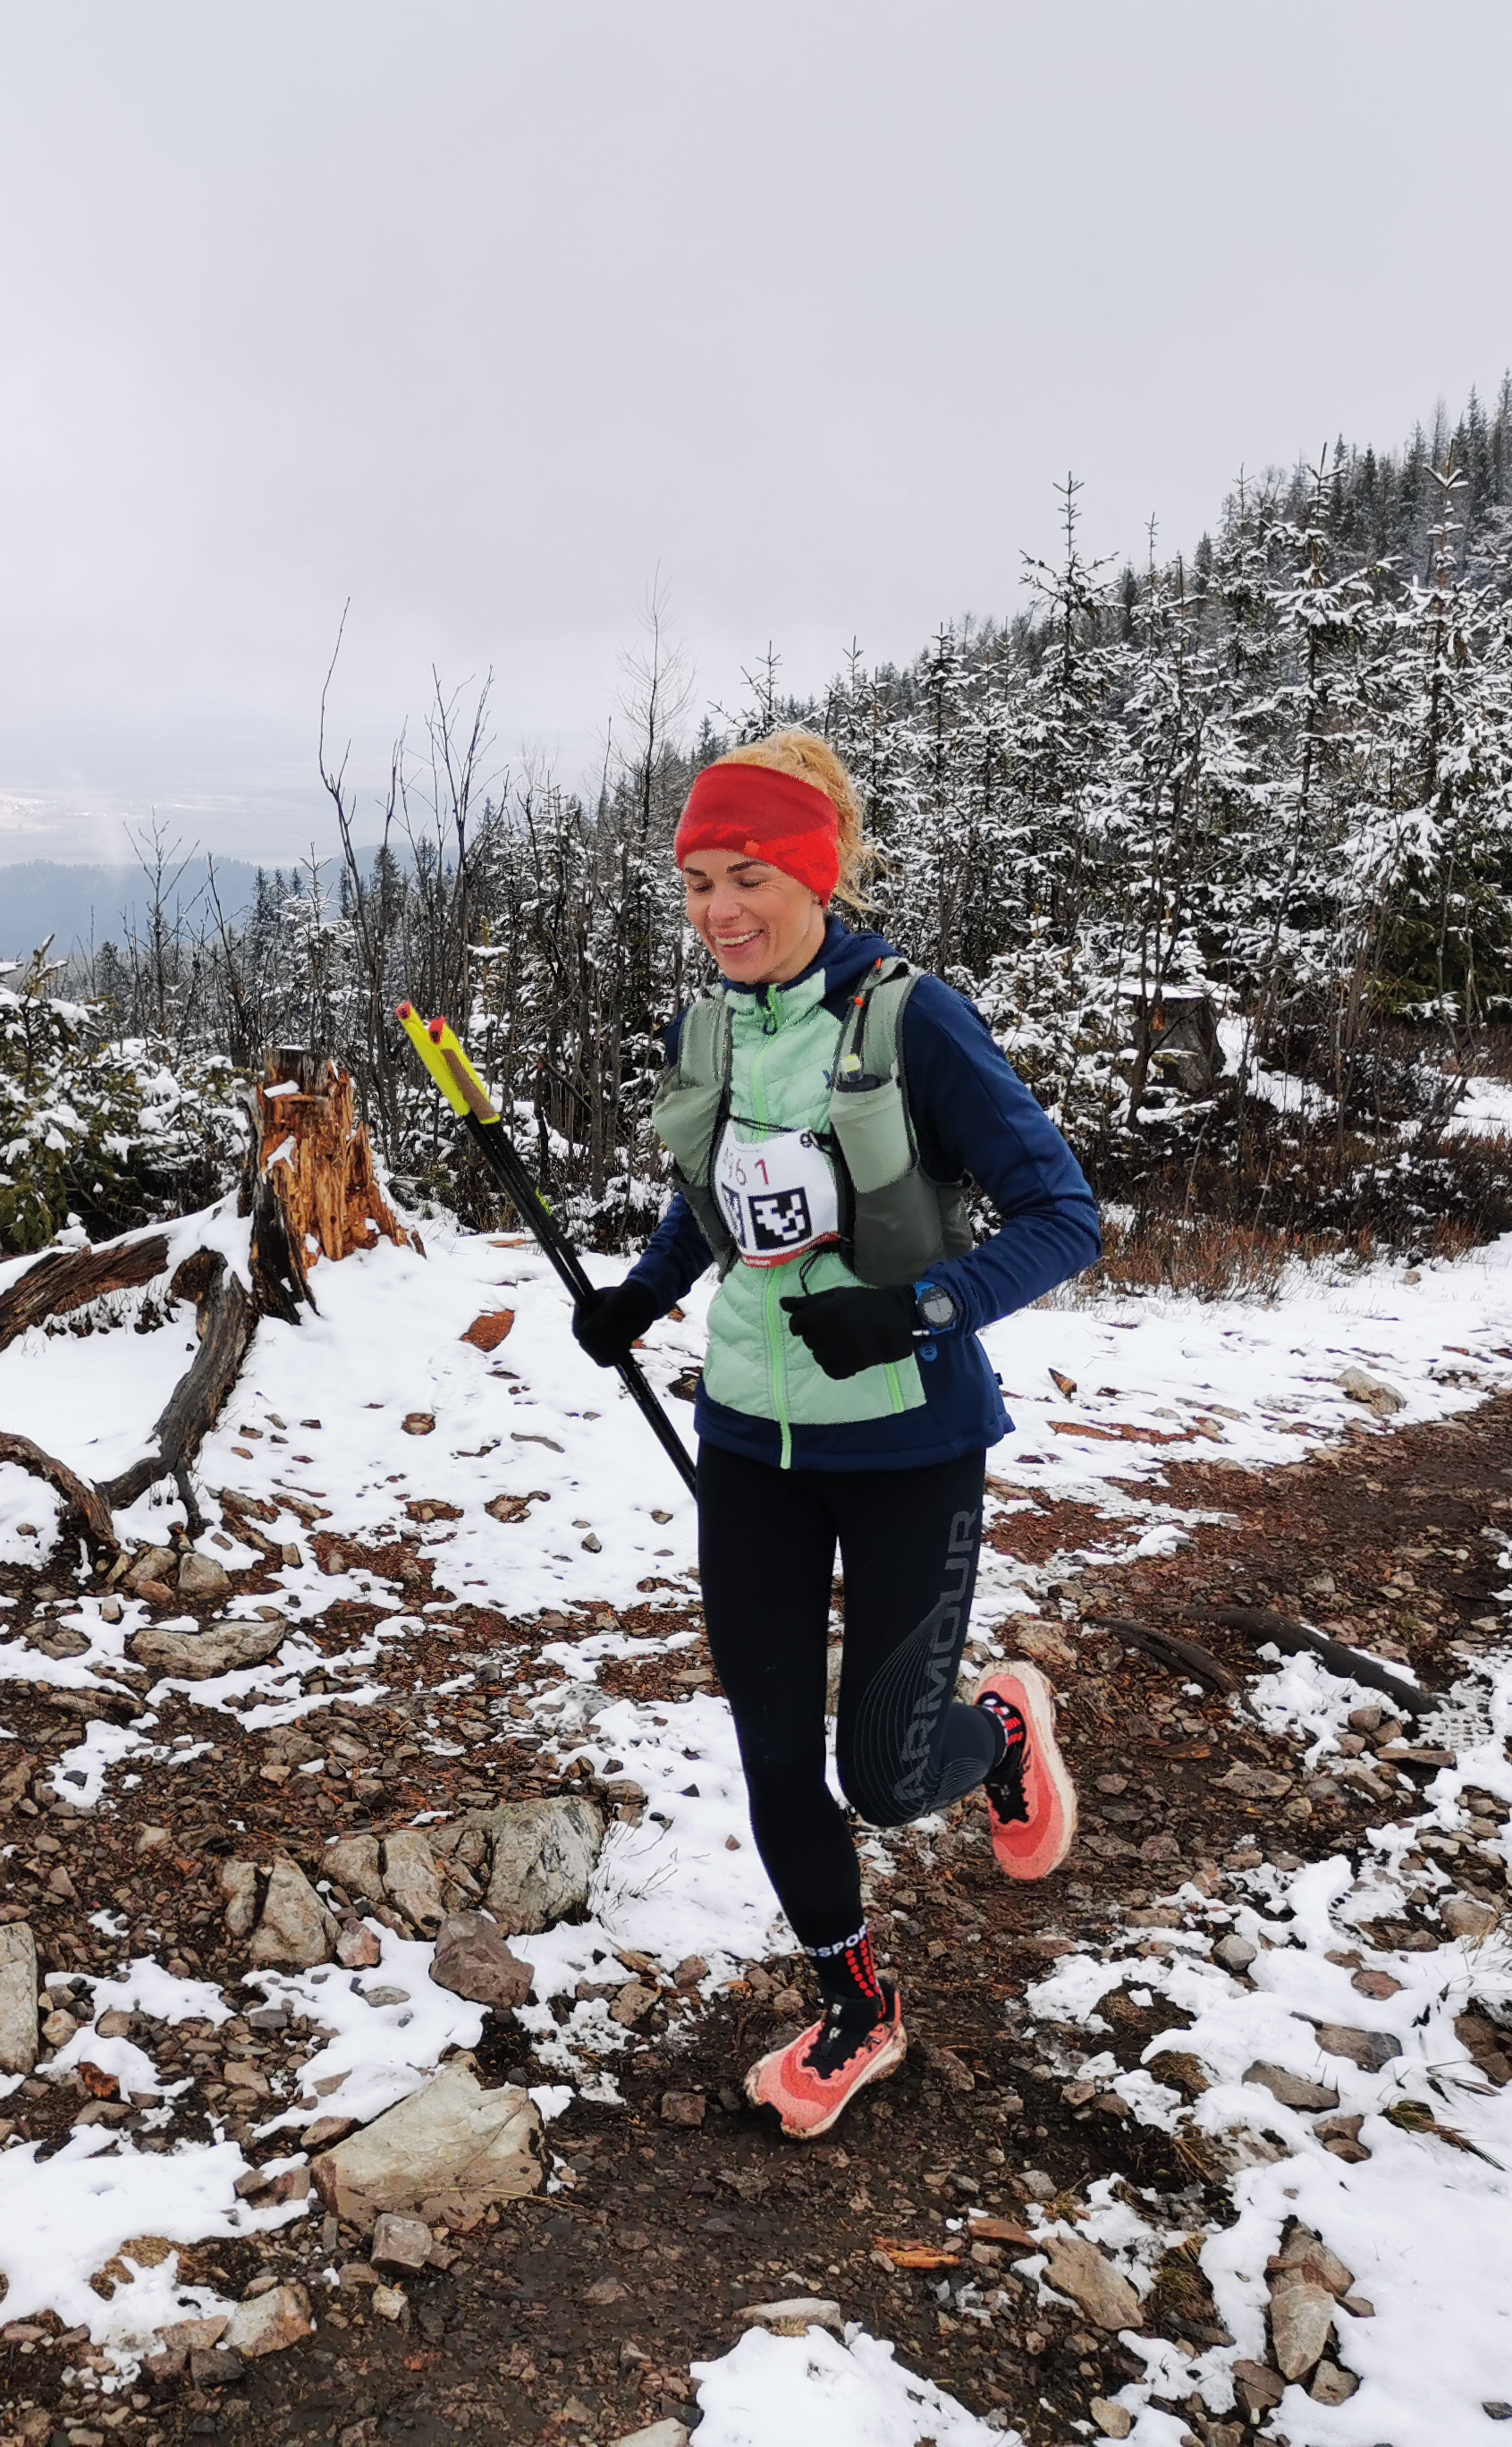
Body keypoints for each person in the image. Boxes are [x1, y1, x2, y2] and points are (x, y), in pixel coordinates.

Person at [572, 727, 1100, 2140]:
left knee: (878, 1766)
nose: (718, 911)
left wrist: (922, 1309)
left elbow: (1064, 1215)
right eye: (694, 883)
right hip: (751, 1437)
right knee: (768, 1747)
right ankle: (857, 2003)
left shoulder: (915, 1019)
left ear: (814, 874)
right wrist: (647, 1292)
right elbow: (724, 1191)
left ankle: (996, 1730)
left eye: (745, 875)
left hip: (908, 1444)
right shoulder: (723, 1027)